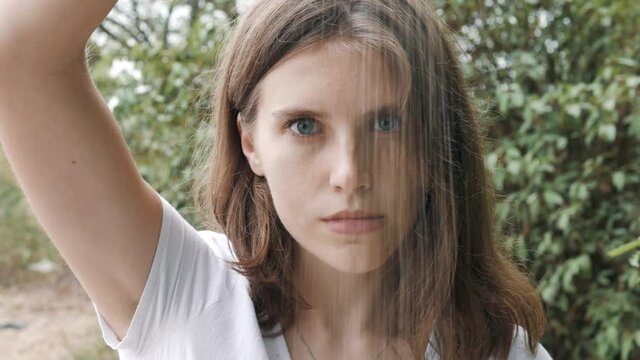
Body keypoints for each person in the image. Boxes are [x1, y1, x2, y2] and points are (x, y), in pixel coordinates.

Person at [0, 0, 553, 359]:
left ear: (437, 141)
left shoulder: (496, 348)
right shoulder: (183, 294)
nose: (350, 175)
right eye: (305, 125)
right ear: (250, 142)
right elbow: (18, 55)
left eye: (387, 122)